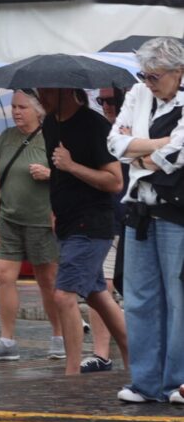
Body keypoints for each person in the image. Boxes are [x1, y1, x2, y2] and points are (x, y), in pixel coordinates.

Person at [107, 37, 184, 404]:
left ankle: (178, 382)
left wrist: (138, 149)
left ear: (178, 72)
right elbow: (114, 144)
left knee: (178, 298)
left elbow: (177, 155)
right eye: (144, 74)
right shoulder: (138, 93)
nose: (148, 82)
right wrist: (157, 145)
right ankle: (146, 383)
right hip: (139, 208)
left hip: (177, 211)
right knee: (138, 299)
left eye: (155, 76)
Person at [37, 86, 128, 377]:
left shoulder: (94, 125)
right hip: (66, 222)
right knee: (96, 293)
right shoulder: (51, 123)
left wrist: (72, 165)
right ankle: (135, 358)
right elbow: (59, 177)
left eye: (46, 91)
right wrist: (54, 209)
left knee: (64, 296)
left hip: (91, 223)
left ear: (65, 90)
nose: (41, 96)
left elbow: (115, 182)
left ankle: (71, 375)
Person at [0, 90, 65, 362]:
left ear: (38, 110)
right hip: (9, 219)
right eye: (14, 106)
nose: (17, 111)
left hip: (42, 221)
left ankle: (59, 336)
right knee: (4, 276)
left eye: (23, 107)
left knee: (47, 281)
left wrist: (51, 174)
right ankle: (7, 340)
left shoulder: (51, 137)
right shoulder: (6, 138)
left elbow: (70, 173)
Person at [83, 86, 131, 373]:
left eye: (111, 100)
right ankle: (101, 353)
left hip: (135, 219)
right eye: (101, 101)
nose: (106, 106)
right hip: (106, 220)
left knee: (133, 290)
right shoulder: (99, 130)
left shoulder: (135, 127)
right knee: (100, 284)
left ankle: (132, 348)